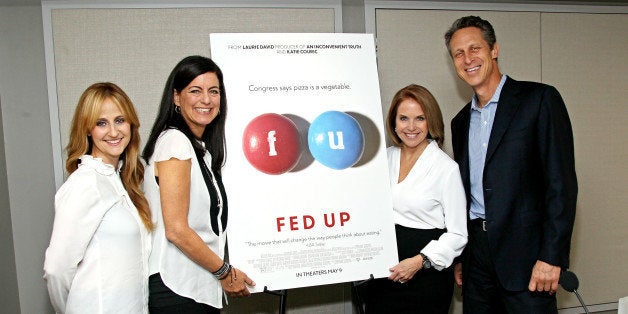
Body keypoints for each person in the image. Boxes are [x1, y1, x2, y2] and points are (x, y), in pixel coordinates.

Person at [445, 16, 578, 313]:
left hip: (529, 259)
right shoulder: (460, 121)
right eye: (458, 53)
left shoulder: (539, 100)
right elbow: (463, 195)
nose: (468, 59)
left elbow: (561, 185)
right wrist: (461, 257)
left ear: (494, 50)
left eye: (474, 48)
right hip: (476, 259)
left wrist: (551, 256)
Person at [142, 55, 255, 313]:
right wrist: (225, 272)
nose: (206, 100)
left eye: (213, 91)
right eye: (195, 91)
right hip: (176, 287)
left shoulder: (200, 150)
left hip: (193, 286)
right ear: (176, 97)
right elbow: (177, 230)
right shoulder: (175, 142)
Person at [44, 82, 153, 313]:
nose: (114, 132)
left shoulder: (120, 182)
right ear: (87, 129)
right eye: (101, 123)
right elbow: (56, 270)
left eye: (120, 120)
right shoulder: (85, 184)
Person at [361, 84, 468, 313]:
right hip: (383, 274)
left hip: (425, 278)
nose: (411, 127)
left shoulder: (446, 169)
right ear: (393, 121)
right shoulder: (383, 159)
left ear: (430, 121)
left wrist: (420, 261)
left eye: (420, 118)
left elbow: (458, 233)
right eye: (403, 118)